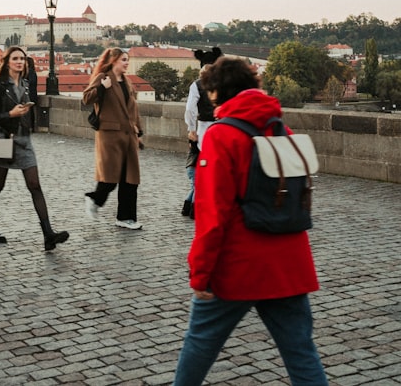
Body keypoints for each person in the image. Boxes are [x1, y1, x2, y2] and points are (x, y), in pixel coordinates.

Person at [171, 57, 326, 385]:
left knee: (200, 343)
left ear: (216, 94)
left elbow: (212, 215)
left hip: (238, 267)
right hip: (289, 265)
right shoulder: (283, 130)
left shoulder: (220, 136)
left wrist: (200, 273)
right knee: (301, 352)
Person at [0, 46, 68, 250]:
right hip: (3, 139)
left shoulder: (27, 84)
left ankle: (48, 234)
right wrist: (10, 115)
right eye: (15, 58)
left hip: (24, 140)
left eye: (22, 58)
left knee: (35, 185)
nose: (20, 62)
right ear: (7, 61)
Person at [82, 48, 145, 230]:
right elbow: (86, 98)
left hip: (128, 136)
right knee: (111, 177)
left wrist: (139, 132)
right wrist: (103, 88)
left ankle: (126, 218)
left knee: (130, 179)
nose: (126, 63)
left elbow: (133, 109)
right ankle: (94, 198)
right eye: (123, 60)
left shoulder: (126, 81)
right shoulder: (104, 77)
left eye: (127, 60)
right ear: (114, 60)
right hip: (110, 136)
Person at [182, 47, 224, 218]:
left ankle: (188, 206)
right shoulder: (223, 84)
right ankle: (194, 208)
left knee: (200, 165)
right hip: (219, 125)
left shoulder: (196, 85)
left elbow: (190, 109)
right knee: (208, 170)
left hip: (203, 126)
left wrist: (191, 128)